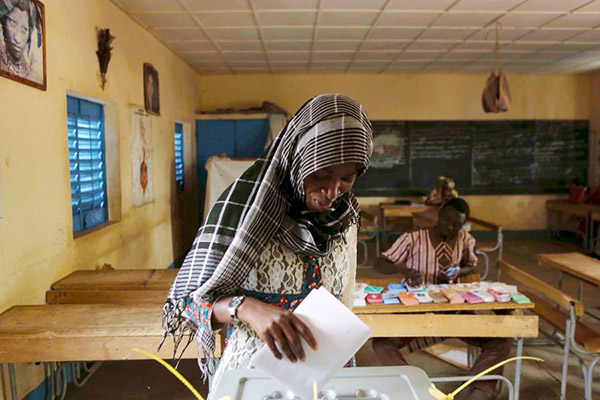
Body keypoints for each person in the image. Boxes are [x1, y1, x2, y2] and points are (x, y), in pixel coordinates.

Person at [161, 94, 373, 397]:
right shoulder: (244, 212)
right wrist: (245, 308)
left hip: (331, 378)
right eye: (320, 174)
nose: (331, 191)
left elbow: (345, 296)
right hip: (254, 379)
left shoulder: (345, 216)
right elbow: (183, 305)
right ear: (297, 157)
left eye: (347, 178)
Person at [372, 198, 511, 400]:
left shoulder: (465, 239)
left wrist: (459, 271)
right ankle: (413, 387)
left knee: (502, 340)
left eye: (457, 224)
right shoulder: (413, 238)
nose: (450, 226)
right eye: (447, 220)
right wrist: (404, 268)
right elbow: (380, 263)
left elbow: (472, 264)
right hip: (419, 313)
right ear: (440, 214)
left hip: (454, 311)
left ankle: (468, 390)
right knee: (382, 344)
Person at [0, 0, 37, 80]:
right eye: (12, 23)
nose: (17, 38)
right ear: (3, 23)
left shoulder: (33, 74)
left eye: (24, 29)